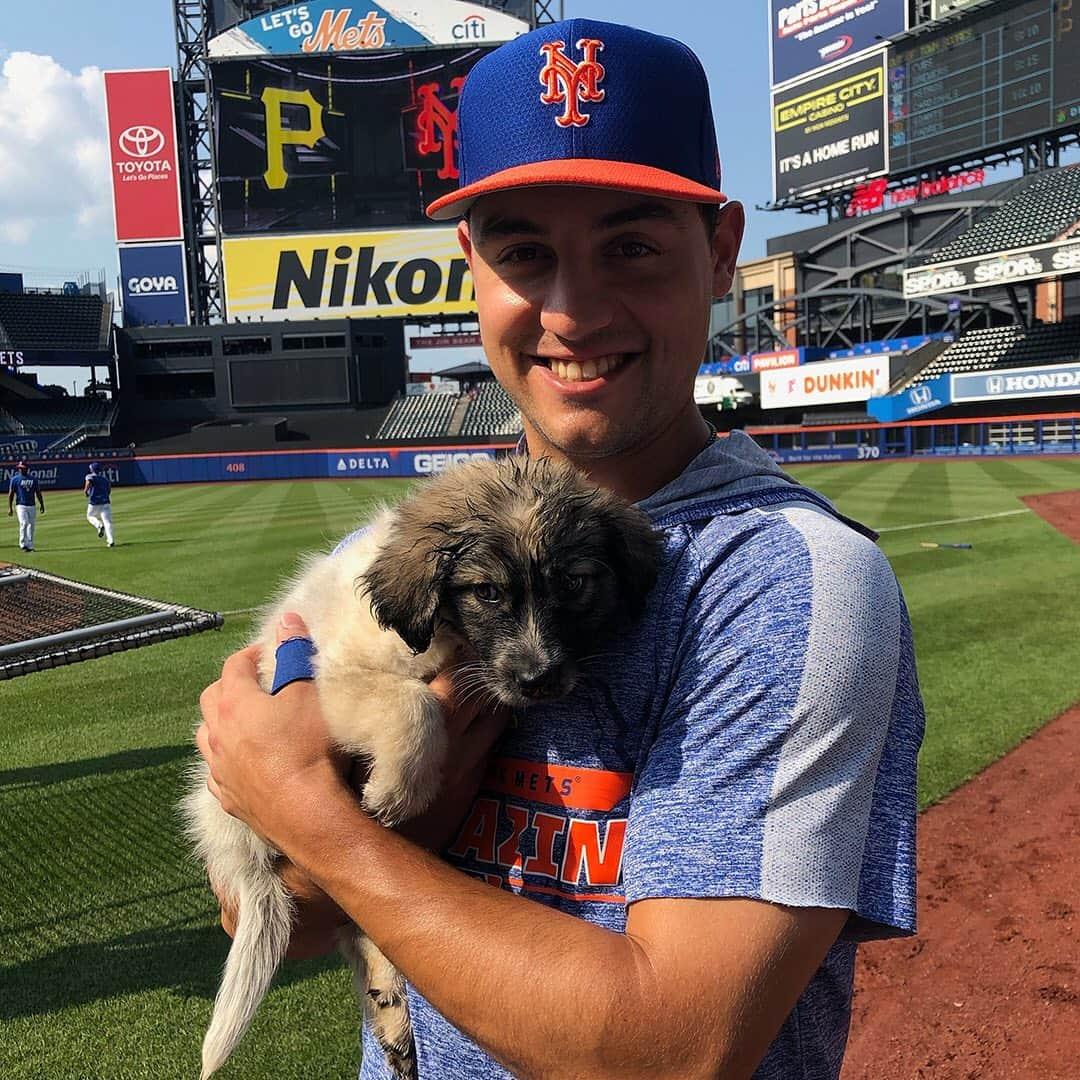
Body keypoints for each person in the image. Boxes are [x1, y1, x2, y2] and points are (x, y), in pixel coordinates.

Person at [197, 19, 924, 1080]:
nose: (573, 313)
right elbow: (280, 918)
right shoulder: (407, 550)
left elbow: (674, 1052)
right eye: (526, 253)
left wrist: (314, 812)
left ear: (721, 251)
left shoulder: (783, 583)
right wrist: (320, 817)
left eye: (631, 246)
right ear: (472, 267)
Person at [7, 460, 45, 551]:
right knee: (24, 523)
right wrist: (10, 507)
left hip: (32, 505)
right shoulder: (15, 479)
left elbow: (38, 492)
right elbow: (11, 493)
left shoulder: (33, 479)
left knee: (31, 525)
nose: (20, 469)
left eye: (22, 468)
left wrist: (42, 504)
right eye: (19, 468)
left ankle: (30, 545)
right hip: (21, 505)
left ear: (26, 469)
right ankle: (23, 544)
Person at [84, 461, 114, 547]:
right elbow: (109, 490)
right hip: (105, 502)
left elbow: (89, 482)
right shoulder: (105, 479)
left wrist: (85, 491)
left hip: (94, 502)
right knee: (108, 522)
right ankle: (111, 541)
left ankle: (99, 525)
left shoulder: (89, 476)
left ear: (92, 469)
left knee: (89, 516)